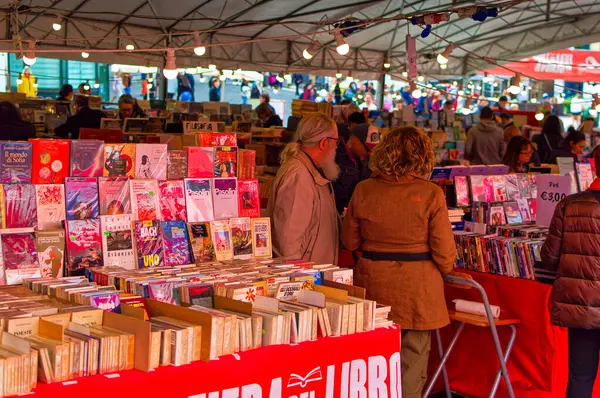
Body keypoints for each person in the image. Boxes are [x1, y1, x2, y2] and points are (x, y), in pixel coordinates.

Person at [341, 126, 455, 398]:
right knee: (411, 364)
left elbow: (349, 241)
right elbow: (444, 253)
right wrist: (445, 270)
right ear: (423, 155)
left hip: (371, 282)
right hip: (417, 288)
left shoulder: (364, 189)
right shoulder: (431, 194)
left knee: (370, 361)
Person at [540, 170, 600, 398]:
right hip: (582, 304)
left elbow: (550, 257)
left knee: (580, 376)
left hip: (580, 304)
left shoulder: (569, 204)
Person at [266, 112, 340, 264]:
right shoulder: (299, 176)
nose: (336, 148)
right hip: (303, 278)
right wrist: (297, 282)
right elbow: (288, 243)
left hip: (312, 275)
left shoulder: (309, 170)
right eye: (336, 142)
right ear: (324, 143)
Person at [333, 123, 378, 213]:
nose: (370, 153)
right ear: (355, 140)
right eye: (367, 148)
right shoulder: (335, 157)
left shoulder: (364, 161)